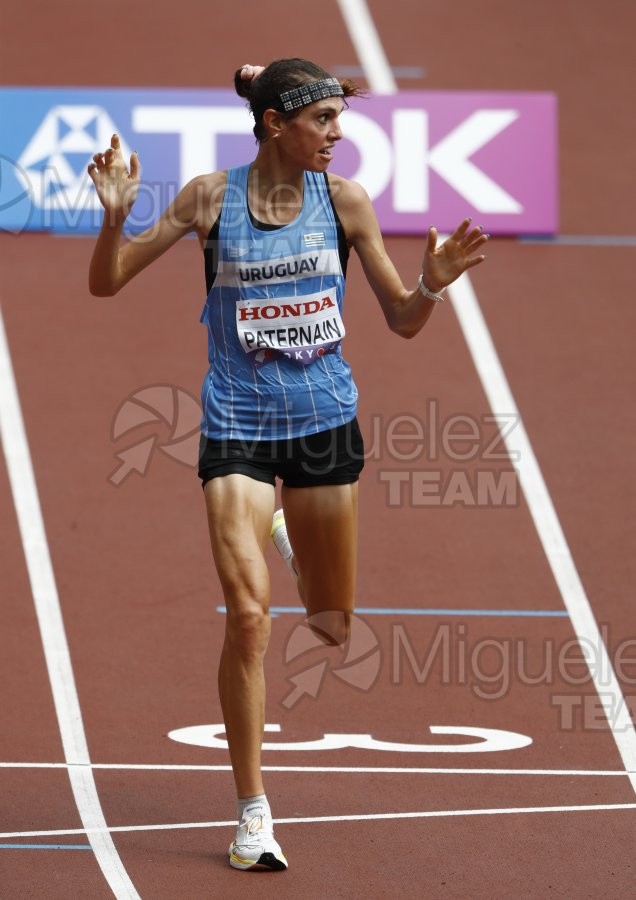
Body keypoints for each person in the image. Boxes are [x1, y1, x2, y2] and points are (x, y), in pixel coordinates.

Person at [87, 57, 488, 872]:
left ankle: (288, 532)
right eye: (325, 122)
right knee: (248, 620)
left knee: (331, 626)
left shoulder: (344, 203)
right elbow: (107, 285)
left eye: (341, 121)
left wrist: (433, 285)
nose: (338, 137)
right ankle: (253, 812)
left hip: (323, 427)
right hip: (236, 424)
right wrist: (115, 218)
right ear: (277, 123)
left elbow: (403, 322)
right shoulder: (209, 198)